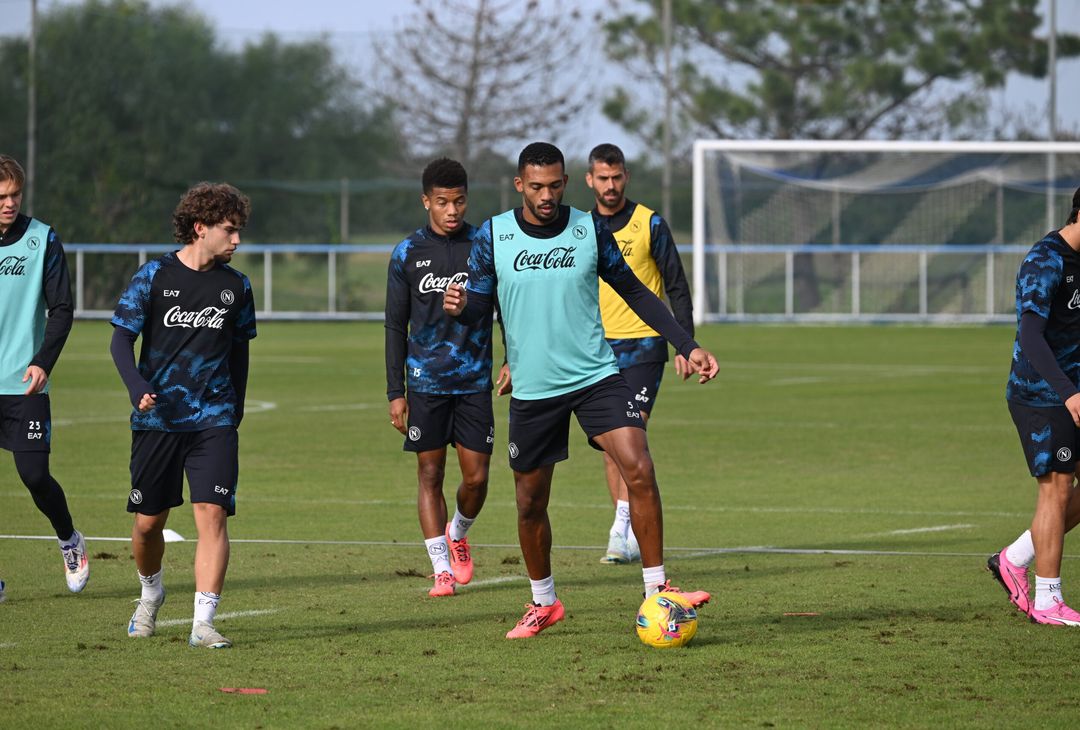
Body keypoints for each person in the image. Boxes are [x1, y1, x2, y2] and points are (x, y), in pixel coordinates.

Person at [444, 142, 719, 639]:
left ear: (565, 183)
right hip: (534, 388)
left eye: (554, 186)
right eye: (536, 187)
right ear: (519, 186)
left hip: (596, 376)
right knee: (530, 502)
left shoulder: (587, 229)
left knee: (639, 465)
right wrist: (459, 304)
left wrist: (686, 343)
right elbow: (478, 307)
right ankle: (543, 602)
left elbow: (636, 291)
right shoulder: (494, 236)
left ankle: (657, 588)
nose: (545, 196)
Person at [110, 182, 256, 648]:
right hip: (157, 422)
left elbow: (239, 354)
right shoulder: (153, 276)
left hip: (213, 419)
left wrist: (235, 409)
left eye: (239, 232)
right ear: (200, 227)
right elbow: (119, 340)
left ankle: (203, 623)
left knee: (212, 514)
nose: (237, 241)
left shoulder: (237, 286)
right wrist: (138, 388)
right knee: (148, 523)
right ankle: (150, 594)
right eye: (230, 231)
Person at [385, 158, 509, 597]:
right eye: (442, 202)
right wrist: (395, 392)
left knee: (476, 479)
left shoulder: (485, 244)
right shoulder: (407, 253)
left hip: (475, 380)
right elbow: (394, 325)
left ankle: (458, 531)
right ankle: (440, 568)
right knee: (429, 473)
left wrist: (510, 357)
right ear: (426, 202)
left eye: (458, 201)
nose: (452, 210)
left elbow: (505, 308)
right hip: (425, 383)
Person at [585, 143, 694, 565]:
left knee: (630, 433)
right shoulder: (580, 229)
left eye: (617, 178)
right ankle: (625, 528)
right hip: (597, 346)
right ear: (590, 180)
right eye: (603, 179)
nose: (610, 186)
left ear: (625, 177)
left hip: (645, 344)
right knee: (612, 443)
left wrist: (685, 341)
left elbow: (676, 284)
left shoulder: (650, 223)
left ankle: (619, 530)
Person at [989, 185, 1080, 626]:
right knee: (1057, 487)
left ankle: (1014, 557)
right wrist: (1068, 392)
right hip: (1041, 394)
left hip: (1074, 392)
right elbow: (1030, 335)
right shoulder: (1046, 260)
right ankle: (1047, 601)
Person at [0, 154, 88, 597]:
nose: (9, 204)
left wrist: (42, 362)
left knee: (34, 475)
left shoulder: (42, 240)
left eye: (15, 194)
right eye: (1, 197)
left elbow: (62, 309)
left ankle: (69, 538)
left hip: (25, 383)